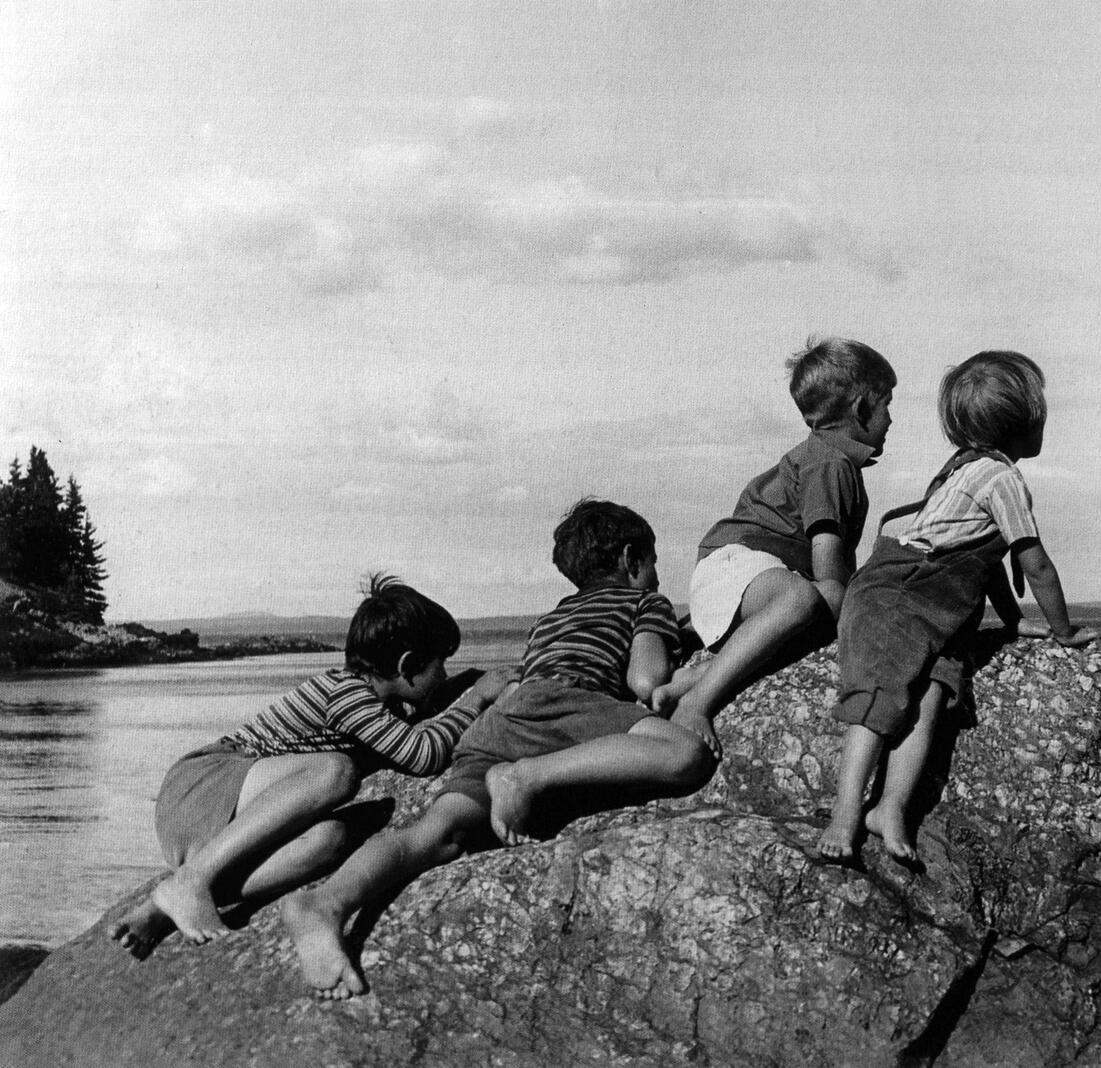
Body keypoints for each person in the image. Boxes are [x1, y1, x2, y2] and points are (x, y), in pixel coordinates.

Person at [280, 499, 713, 999]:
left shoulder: (551, 618)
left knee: (436, 833)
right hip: (573, 703)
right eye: (655, 563)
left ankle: (327, 903)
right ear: (633, 558)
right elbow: (645, 679)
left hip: (503, 719)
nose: (658, 577)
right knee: (684, 755)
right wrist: (687, 671)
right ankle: (530, 776)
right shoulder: (645, 603)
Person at [111, 575, 510, 957]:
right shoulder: (346, 694)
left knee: (329, 841)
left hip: (227, 812)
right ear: (406, 666)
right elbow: (422, 756)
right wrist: (476, 700)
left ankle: (167, 907)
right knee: (335, 772)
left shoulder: (377, 703)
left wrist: (456, 693)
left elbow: (416, 727)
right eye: (441, 665)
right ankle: (193, 878)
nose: (445, 675)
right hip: (207, 783)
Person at [818, 350, 1098, 864]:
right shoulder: (1001, 479)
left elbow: (982, 561)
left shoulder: (964, 470)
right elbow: (1033, 564)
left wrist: (1014, 623)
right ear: (1024, 424)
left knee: (929, 701)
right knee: (879, 700)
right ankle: (844, 816)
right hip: (898, 593)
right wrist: (1062, 631)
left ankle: (890, 808)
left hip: (934, 606)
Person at [651, 336, 897, 754]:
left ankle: (704, 675)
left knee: (822, 609)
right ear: (861, 409)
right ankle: (697, 702)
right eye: (887, 404)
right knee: (820, 601)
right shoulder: (829, 463)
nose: (891, 419)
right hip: (736, 563)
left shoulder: (831, 459)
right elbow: (827, 557)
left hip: (745, 573)